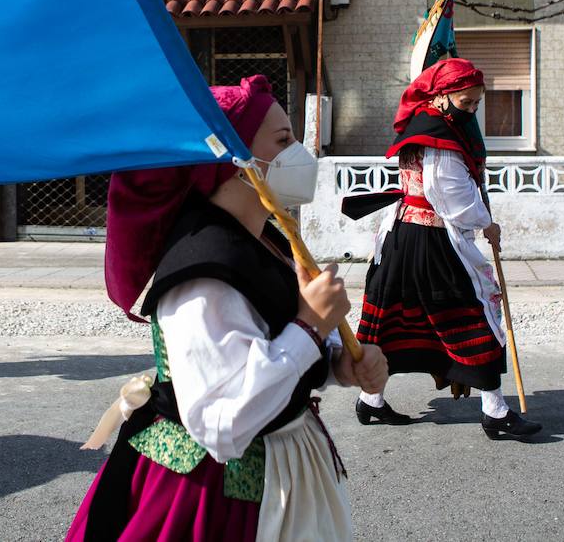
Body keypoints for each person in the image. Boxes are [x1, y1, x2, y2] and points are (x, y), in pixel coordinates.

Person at [68, 75, 388, 542]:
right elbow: (222, 425)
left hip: (283, 468)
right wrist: (310, 326)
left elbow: (280, 340)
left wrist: (342, 364)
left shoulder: (269, 237)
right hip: (214, 498)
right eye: (283, 141)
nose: (299, 154)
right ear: (234, 162)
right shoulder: (204, 273)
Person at [354, 58, 541, 440]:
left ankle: (370, 399)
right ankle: (496, 412)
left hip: (401, 238)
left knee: (394, 318)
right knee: (470, 316)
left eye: (475, 103)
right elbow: (452, 196)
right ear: (441, 96)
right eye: (467, 102)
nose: (471, 110)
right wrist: (486, 222)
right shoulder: (441, 137)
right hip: (433, 243)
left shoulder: (420, 123)